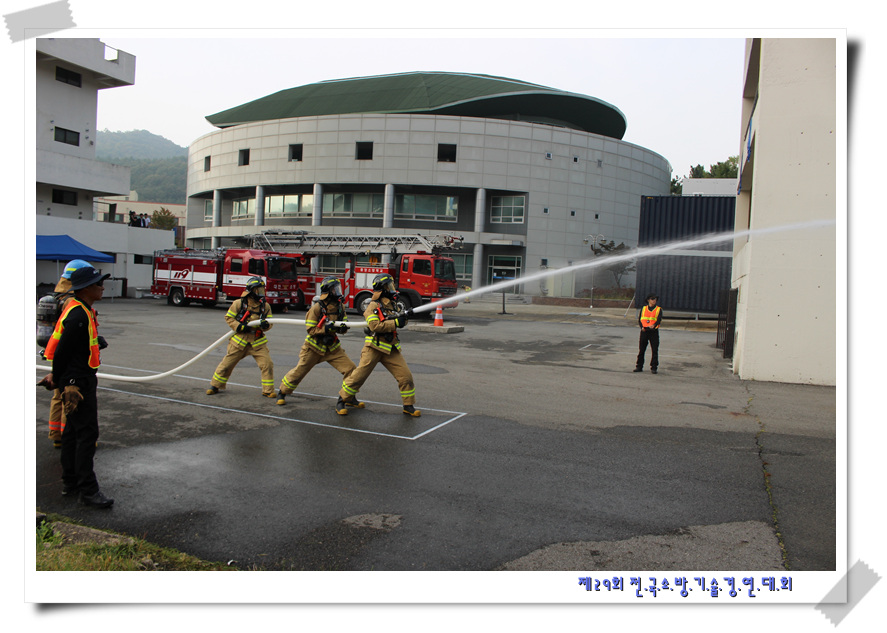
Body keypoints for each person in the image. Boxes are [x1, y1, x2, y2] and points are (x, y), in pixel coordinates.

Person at [41, 266, 114, 507]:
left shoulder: (82, 310)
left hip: (77, 378)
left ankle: (70, 483)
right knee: (87, 435)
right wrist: (61, 379)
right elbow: (62, 351)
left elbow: (74, 346)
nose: (102, 287)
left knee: (72, 433)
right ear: (85, 289)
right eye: (98, 284)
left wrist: (96, 342)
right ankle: (88, 490)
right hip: (78, 382)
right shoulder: (79, 316)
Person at [338, 273, 420, 417]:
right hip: (374, 348)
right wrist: (396, 322)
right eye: (389, 286)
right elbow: (375, 326)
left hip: (390, 347)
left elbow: (399, 319)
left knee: (405, 376)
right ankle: (342, 400)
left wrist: (404, 318)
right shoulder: (373, 306)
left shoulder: (393, 304)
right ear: (383, 289)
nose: (392, 288)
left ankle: (408, 406)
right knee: (358, 377)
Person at [276, 277, 361, 408]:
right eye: (335, 289)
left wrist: (342, 328)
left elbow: (343, 324)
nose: (338, 291)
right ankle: (282, 392)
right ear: (328, 291)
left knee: (351, 369)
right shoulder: (317, 308)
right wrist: (325, 329)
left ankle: (348, 398)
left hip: (332, 348)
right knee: (299, 372)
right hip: (313, 348)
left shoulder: (340, 306)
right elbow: (311, 329)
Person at [41, 259, 92, 447]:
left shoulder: (58, 294)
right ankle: (68, 437)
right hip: (70, 354)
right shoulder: (72, 301)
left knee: (58, 395)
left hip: (56, 351)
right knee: (70, 397)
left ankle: (56, 434)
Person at [206, 277, 276, 397]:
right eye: (258, 290)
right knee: (227, 365)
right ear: (251, 291)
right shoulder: (239, 303)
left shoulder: (265, 306)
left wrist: (266, 325)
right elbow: (229, 317)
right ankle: (215, 386)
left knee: (267, 364)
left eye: (262, 290)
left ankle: (268, 390)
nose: (261, 293)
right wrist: (239, 326)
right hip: (239, 342)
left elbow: (270, 323)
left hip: (257, 343)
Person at [634, 293, 662, 374]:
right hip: (644, 331)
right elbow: (640, 319)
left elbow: (658, 320)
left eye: (655, 299)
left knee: (654, 350)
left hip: (653, 332)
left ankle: (654, 367)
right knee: (641, 350)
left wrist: (654, 325)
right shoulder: (644, 308)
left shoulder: (658, 309)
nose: (654, 300)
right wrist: (641, 327)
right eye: (652, 299)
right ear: (648, 300)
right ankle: (639, 366)